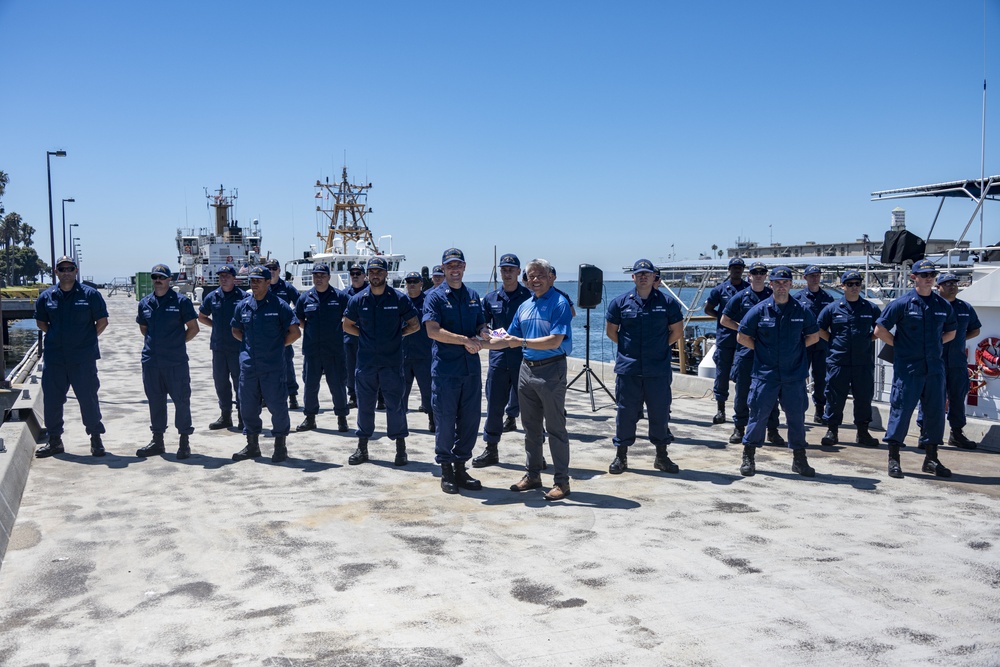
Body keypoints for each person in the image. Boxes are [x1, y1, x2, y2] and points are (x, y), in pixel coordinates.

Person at [874, 259, 957, 479]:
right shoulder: (902, 303)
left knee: (935, 413)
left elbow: (951, 332)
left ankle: (931, 458)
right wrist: (899, 345)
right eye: (924, 275)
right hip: (909, 368)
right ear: (914, 278)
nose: (928, 278)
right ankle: (894, 459)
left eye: (931, 274)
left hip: (934, 370)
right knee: (901, 411)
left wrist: (935, 345)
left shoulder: (943, 306)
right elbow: (880, 329)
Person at [736, 266, 820, 477]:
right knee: (758, 415)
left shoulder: (801, 310)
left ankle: (799, 459)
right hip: (766, 374)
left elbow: (814, 336)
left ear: (791, 284)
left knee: (796, 418)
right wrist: (763, 351)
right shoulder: (759, 310)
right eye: (777, 282)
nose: (781, 286)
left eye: (785, 282)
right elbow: (742, 337)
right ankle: (749, 456)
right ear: (770, 284)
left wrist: (796, 352)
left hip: (793, 375)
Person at [502, 258, 574, 500]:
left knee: (555, 429)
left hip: (551, 370)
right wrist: (479, 339)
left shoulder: (560, 303)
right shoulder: (524, 306)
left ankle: (562, 483)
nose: (535, 279)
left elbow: (555, 341)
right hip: (526, 370)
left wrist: (520, 343)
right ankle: (533, 475)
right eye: (531, 276)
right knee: (531, 428)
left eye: (540, 275)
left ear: (551, 277)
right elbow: (509, 336)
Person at [605, 259, 684, 475]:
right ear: (633, 277)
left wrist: (659, 347)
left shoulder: (668, 303)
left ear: (653, 277)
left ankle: (661, 456)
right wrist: (629, 349)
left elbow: (677, 332)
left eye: (647, 274)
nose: (643, 277)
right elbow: (612, 331)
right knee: (625, 412)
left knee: (659, 413)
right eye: (638, 273)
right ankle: (621, 456)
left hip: (657, 369)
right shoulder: (620, 302)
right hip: (628, 369)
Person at [423, 248, 491, 494]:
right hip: (446, 371)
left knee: (470, 420)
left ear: (464, 267)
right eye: (449, 266)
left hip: (470, 370)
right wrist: (464, 340)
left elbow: (480, 322)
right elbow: (432, 331)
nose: (454, 269)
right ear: (443, 269)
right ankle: (446, 470)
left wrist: (484, 331)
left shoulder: (473, 295)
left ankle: (461, 467)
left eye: (458, 265)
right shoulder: (434, 297)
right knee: (445, 420)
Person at [343, 257, 420, 466]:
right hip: (366, 362)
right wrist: (365, 336)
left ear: (386, 274)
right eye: (372, 271)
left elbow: (415, 324)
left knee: (395, 406)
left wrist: (397, 335)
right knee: (364, 406)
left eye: (379, 271)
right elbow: (347, 325)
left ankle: (401, 449)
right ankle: (362, 448)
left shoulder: (398, 298)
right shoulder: (358, 299)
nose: (375, 275)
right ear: (367, 274)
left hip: (392, 362)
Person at [33, 255, 109, 458]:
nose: (66, 272)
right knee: (52, 400)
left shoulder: (90, 294)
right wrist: (58, 337)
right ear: (56, 272)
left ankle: (95, 439)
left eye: (70, 268)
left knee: (88, 398)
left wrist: (86, 340)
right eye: (62, 269)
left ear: (76, 271)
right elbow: (41, 323)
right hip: (55, 358)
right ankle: (55, 441)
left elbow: (102, 321)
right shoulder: (46, 297)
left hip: (83, 358)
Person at [231, 265, 301, 463]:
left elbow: (295, 332)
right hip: (249, 367)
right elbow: (236, 330)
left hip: (272, 366)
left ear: (268, 282)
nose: (254, 284)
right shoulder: (243, 306)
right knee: (248, 407)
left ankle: (280, 446)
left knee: (278, 406)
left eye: (258, 280)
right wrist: (247, 346)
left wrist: (277, 347)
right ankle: (252, 445)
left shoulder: (279, 306)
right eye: (252, 280)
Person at [472, 253, 532, 468]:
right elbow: (483, 326)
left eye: (511, 269)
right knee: (495, 407)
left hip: (524, 361)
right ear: (500, 271)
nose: (507, 273)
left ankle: (536, 454)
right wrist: (494, 335)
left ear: (518, 272)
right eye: (504, 269)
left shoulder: (529, 297)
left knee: (531, 410)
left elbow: (533, 327)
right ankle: (491, 449)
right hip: (498, 360)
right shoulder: (490, 298)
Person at [135, 264, 199, 459]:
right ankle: (157, 441)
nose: (158, 280)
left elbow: (193, 328)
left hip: (175, 362)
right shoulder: (145, 303)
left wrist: (176, 343)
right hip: (151, 362)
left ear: (169, 280)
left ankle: (184, 442)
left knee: (181, 400)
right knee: (155, 401)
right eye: (155, 277)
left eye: (162, 277)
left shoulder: (181, 302)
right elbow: (144, 328)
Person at [815, 271, 881, 447]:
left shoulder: (870, 308)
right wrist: (833, 341)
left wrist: (868, 340)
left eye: (857, 284)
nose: (854, 287)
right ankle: (832, 431)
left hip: (863, 362)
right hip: (838, 361)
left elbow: (879, 328)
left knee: (863, 397)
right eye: (850, 284)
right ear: (842, 286)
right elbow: (820, 328)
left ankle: (863, 432)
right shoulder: (832, 308)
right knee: (835, 397)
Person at [721, 261, 782, 446]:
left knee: (770, 392)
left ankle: (772, 430)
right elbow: (724, 320)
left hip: (767, 354)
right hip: (746, 352)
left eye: (762, 272)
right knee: (742, 392)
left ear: (766, 276)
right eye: (754, 272)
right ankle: (739, 428)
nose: (758, 275)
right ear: (749, 275)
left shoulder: (773, 297)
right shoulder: (741, 297)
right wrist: (742, 329)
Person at [294, 263, 350, 433]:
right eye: (316, 275)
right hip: (312, 350)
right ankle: (310, 418)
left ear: (328, 277)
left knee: (338, 385)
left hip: (334, 350)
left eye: (322, 275)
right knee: (310, 385)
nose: (318, 278)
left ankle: (342, 419)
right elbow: (299, 320)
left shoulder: (340, 297)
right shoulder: (305, 298)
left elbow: (349, 318)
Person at [932, 272, 982, 449]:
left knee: (957, 397)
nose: (952, 286)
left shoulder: (965, 308)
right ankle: (927, 435)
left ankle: (957, 433)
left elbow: (975, 330)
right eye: (947, 283)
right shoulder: (931, 305)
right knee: (932, 398)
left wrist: (958, 339)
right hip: (935, 360)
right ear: (938, 287)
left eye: (954, 283)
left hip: (957, 362)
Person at [197, 265, 246, 431]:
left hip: (238, 348)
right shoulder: (212, 297)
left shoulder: (243, 297)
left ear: (234, 278)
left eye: (227, 276)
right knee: (221, 383)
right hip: (219, 348)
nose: (223, 278)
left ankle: (243, 417)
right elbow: (202, 317)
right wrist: (216, 326)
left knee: (240, 383)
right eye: (221, 276)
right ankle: (225, 416)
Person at [704, 257, 748, 425]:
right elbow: (708, 308)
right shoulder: (719, 290)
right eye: (734, 267)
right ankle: (721, 410)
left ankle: (743, 410)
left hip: (743, 338)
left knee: (742, 375)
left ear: (743, 270)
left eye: (739, 267)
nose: (737, 270)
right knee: (722, 375)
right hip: (725, 338)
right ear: (729, 270)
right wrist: (722, 319)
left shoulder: (748, 289)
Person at [793, 265, 835, 424]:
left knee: (821, 378)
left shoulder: (828, 298)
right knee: (801, 376)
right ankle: (799, 409)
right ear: (805, 278)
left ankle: (819, 409)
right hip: (804, 343)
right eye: (811, 276)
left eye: (817, 275)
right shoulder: (798, 298)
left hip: (822, 344)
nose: (815, 278)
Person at [401, 271, 435, 432]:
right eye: (409, 281)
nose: (412, 284)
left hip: (424, 354)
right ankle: (400, 422)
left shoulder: (429, 302)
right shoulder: (400, 302)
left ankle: (433, 420)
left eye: (415, 281)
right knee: (400, 392)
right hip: (403, 355)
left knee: (428, 391)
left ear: (422, 283)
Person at [265, 258, 301, 410]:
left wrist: (292, 317)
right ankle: (264, 397)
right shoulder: (262, 286)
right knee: (264, 366)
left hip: (283, 333)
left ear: (279, 270)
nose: (272, 271)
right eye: (269, 268)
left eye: (274, 268)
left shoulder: (287, 288)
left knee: (287, 365)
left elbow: (300, 303)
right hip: (265, 333)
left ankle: (292, 396)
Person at [343, 262, 368, 408]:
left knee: (372, 368)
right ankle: (353, 395)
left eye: (358, 273)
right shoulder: (345, 294)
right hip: (350, 338)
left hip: (368, 338)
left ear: (365, 275)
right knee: (350, 367)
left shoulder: (371, 291)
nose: (355, 276)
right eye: (353, 273)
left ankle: (379, 396)